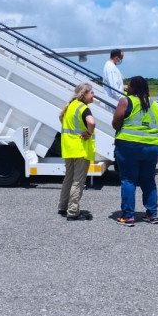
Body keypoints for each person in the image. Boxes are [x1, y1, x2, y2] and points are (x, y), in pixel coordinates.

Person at [112, 76, 158, 226]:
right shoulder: (153, 104)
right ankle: (152, 214)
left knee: (128, 180)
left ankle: (128, 216)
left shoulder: (126, 101)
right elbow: (157, 123)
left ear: (132, 88)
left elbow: (116, 123)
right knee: (148, 180)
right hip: (152, 146)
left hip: (129, 146)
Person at [58, 83, 96, 220]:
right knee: (78, 181)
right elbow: (91, 122)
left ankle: (63, 206)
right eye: (91, 92)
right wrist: (89, 133)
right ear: (84, 94)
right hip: (80, 149)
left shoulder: (70, 106)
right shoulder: (83, 108)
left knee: (68, 178)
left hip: (69, 148)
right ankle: (73, 211)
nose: (93, 95)